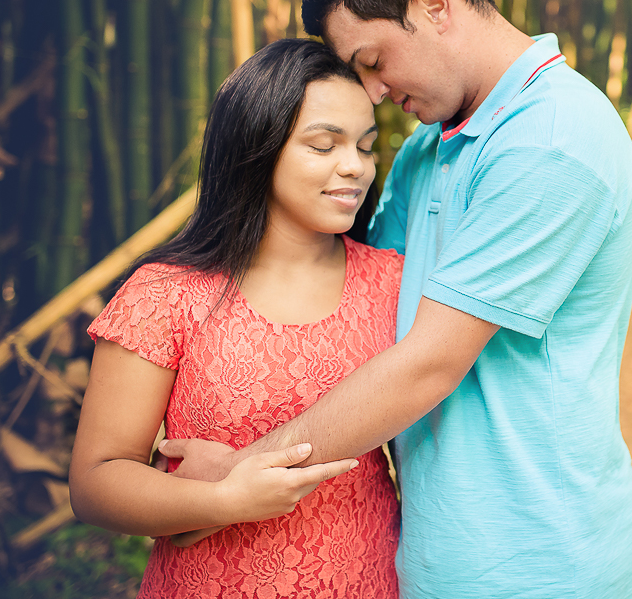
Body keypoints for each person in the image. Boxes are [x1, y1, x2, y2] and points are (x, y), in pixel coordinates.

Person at [161, 0, 632, 598]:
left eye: (374, 61)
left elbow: (426, 363)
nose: (376, 92)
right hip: (428, 557)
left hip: (538, 563)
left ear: (434, 4)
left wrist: (242, 476)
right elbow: (354, 310)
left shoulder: (552, 143)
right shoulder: (429, 149)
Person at [69, 38, 403, 598]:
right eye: (324, 145)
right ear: (257, 148)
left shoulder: (394, 282)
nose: (355, 167)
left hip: (366, 580)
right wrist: (223, 501)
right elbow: (96, 482)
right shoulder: (167, 294)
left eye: (365, 147)